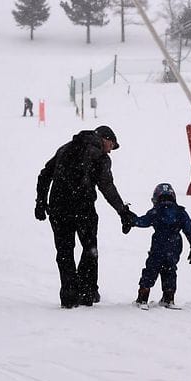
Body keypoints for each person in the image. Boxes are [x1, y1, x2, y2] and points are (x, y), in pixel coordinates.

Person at [35, 125, 136, 308]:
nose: (110, 151)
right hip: (83, 208)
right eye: (111, 146)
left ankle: (69, 295)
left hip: (59, 208)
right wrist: (122, 211)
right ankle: (86, 292)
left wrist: (41, 202)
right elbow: (107, 187)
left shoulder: (66, 148)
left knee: (64, 251)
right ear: (105, 139)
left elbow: (44, 174)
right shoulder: (100, 157)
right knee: (90, 249)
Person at [131, 183, 191, 309]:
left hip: (158, 245)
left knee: (151, 269)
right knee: (170, 270)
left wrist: (131, 220)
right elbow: (189, 229)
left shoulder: (156, 211)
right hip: (175, 245)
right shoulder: (180, 212)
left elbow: (143, 221)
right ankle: (169, 297)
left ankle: (143, 297)